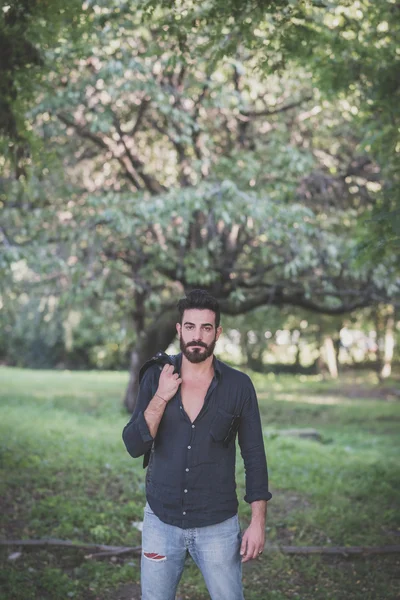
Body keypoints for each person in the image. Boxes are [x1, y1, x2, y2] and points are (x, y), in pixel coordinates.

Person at [122, 289, 272, 600]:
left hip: (218, 524)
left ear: (217, 332)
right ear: (179, 329)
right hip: (161, 522)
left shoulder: (238, 386)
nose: (197, 336)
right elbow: (134, 444)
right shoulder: (156, 376)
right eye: (190, 327)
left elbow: (254, 456)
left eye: (206, 328)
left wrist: (258, 523)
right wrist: (162, 396)